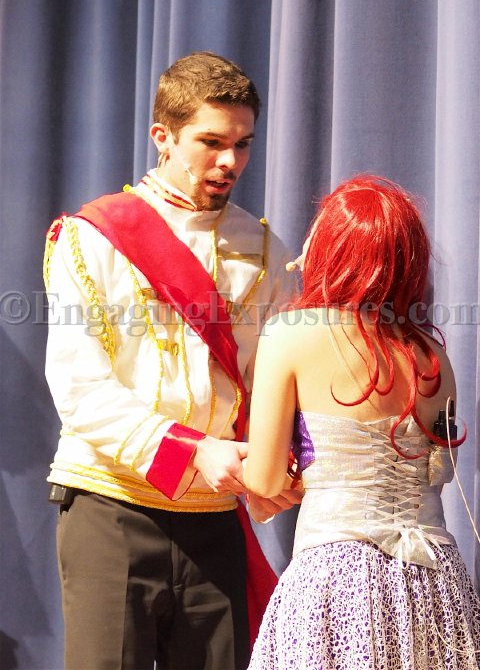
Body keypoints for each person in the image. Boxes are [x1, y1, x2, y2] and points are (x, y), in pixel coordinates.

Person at [43, 51, 300, 670]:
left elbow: (276, 383)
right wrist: (193, 451)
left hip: (213, 515)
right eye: (211, 142)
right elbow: (78, 386)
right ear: (163, 136)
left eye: (243, 144)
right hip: (110, 502)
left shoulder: (265, 249)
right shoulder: (93, 235)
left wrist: (280, 466)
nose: (230, 161)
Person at [244, 175, 480, 669]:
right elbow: (441, 470)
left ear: (330, 250)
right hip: (435, 582)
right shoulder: (433, 356)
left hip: (337, 577)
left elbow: (264, 481)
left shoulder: (290, 333)